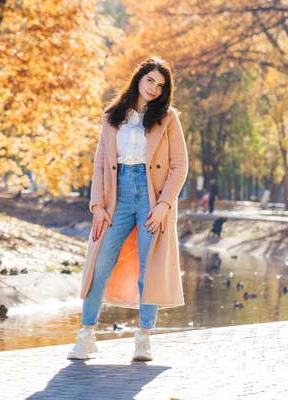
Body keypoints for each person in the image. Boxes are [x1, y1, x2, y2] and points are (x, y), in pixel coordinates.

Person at [68, 57, 188, 361]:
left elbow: (179, 166)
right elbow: (99, 163)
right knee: (99, 265)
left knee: (151, 269)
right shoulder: (112, 117)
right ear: (138, 78)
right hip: (116, 197)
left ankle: (144, 338)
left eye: (161, 86)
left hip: (151, 198)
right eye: (150, 80)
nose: (154, 89)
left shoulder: (168, 118)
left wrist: (163, 205)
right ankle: (86, 336)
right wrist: (97, 205)